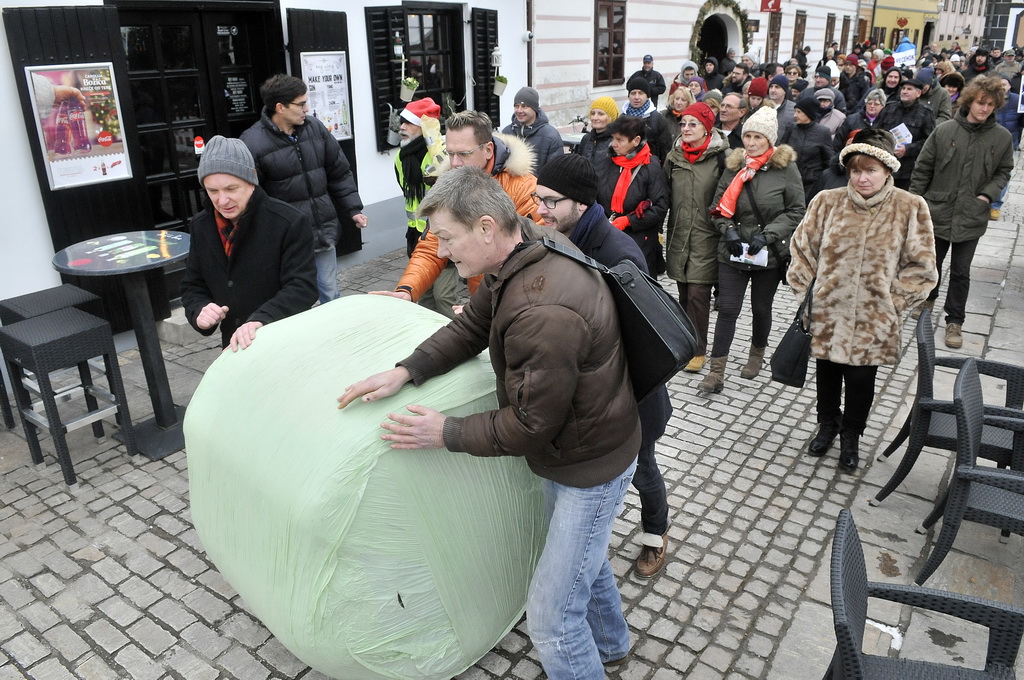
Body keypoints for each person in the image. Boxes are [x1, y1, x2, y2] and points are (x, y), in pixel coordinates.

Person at [337, 166, 641, 678]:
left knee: (550, 618)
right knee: (580, 565)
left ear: (485, 227)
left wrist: (446, 432)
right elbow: (474, 325)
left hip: (590, 464)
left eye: (447, 238)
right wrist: (407, 370)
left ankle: (594, 655)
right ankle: (612, 647)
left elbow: (530, 425)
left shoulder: (542, 310)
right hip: (578, 450)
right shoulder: (525, 246)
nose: (441, 251)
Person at [534, 153, 674, 578]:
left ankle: (656, 533)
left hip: (634, 396)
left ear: (580, 203)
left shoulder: (617, 253)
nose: (541, 210)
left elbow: (642, 337)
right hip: (597, 392)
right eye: (538, 199)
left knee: (642, 469)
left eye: (551, 201)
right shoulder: (560, 236)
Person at [789, 128, 936, 470]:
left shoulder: (909, 207)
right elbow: (802, 250)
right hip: (828, 310)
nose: (862, 178)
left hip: (874, 317)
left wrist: (891, 303)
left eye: (870, 170)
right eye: (856, 170)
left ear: (887, 170)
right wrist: (810, 294)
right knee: (826, 371)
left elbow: (922, 266)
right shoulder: (827, 202)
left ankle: (851, 435)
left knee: (860, 380)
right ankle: (828, 424)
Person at [387, 110, 543, 304]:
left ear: (488, 150)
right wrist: (407, 289)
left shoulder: (523, 188)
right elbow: (431, 245)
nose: (455, 163)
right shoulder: (450, 185)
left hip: (519, 301)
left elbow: (540, 252)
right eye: (450, 153)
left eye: (463, 154)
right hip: (480, 300)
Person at [700, 106, 804, 393]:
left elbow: (796, 210)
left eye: (758, 137)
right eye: (748, 136)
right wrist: (728, 230)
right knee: (727, 310)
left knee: (760, 308)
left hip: (766, 253)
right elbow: (717, 206)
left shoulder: (785, 169)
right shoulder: (734, 165)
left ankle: (757, 353)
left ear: (770, 140)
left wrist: (767, 235)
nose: (751, 142)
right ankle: (716, 372)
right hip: (733, 251)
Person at [181, 135, 317, 350]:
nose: (222, 201)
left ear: (251, 181)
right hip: (235, 347)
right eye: (213, 191)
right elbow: (193, 285)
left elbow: (302, 287)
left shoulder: (289, 222)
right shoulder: (201, 225)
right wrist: (199, 310)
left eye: (231, 189)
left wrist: (261, 319)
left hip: (285, 341)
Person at [240, 74, 367, 305]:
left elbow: (338, 172)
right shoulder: (252, 143)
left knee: (330, 292)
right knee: (296, 299)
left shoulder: (315, 128)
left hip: (323, 230)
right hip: (287, 240)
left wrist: (353, 209)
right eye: (301, 104)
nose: (307, 109)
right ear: (280, 107)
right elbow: (250, 198)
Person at [910, 76, 1014, 348]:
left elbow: (1004, 170)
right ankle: (927, 299)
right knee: (932, 264)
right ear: (970, 101)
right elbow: (923, 167)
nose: (985, 108)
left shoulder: (1001, 137)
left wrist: (987, 195)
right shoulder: (945, 131)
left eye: (990, 104)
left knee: (961, 272)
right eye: (981, 102)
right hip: (938, 210)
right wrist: (916, 204)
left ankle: (954, 321)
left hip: (972, 214)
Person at [663, 102, 728, 374]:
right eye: (683, 123)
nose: (686, 128)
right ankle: (685, 343)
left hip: (706, 236)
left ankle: (699, 350)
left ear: (707, 128)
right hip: (679, 234)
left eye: (693, 124)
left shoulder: (721, 158)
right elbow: (666, 194)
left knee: (698, 295)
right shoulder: (674, 157)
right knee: (683, 293)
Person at [394, 97, 458, 319]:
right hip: (416, 235)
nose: (401, 127)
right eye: (402, 122)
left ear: (424, 127)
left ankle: (460, 332)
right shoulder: (401, 157)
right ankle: (432, 334)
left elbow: (448, 181)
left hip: (442, 234)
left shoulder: (440, 154)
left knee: (444, 297)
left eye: (408, 123)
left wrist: (433, 138)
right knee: (425, 296)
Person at [594, 115, 670, 274]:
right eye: (613, 138)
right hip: (608, 236)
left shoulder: (650, 166)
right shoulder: (605, 161)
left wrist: (629, 220)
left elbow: (660, 207)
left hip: (640, 242)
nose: (613, 144)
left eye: (620, 140)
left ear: (636, 141)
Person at [875, 78, 935, 190]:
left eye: (909, 89)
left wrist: (908, 149)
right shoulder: (889, 108)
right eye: (903, 88)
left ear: (918, 93)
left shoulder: (926, 114)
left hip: (908, 171)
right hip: (885, 165)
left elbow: (929, 142)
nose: (904, 91)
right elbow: (875, 131)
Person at [779, 98, 833, 199]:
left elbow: (828, 160)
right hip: (790, 180)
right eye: (795, 111)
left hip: (811, 184)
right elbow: (781, 151)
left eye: (799, 112)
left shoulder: (823, 132)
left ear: (809, 113)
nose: (795, 115)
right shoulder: (791, 128)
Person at [502, 86, 564, 173]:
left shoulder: (551, 137)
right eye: (516, 106)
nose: (519, 110)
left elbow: (555, 173)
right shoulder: (506, 133)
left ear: (534, 109)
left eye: (524, 106)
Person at [622, 76, 673, 161]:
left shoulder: (657, 119)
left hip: (649, 165)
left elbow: (666, 151)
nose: (636, 97)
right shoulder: (622, 119)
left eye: (640, 93)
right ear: (629, 96)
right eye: (633, 93)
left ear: (647, 96)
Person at [832, 88, 886, 154]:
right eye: (869, 103)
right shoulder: (851, 120)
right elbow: (837, 143)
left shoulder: (886, 121)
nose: (872, 106)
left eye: (876, 104)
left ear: (882, 106)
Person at [576, 96, 618, 163]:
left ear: (610, 117)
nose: (595, 118)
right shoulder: (586, 138)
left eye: (600, 114)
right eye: (593, 113)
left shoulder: (616, 141)